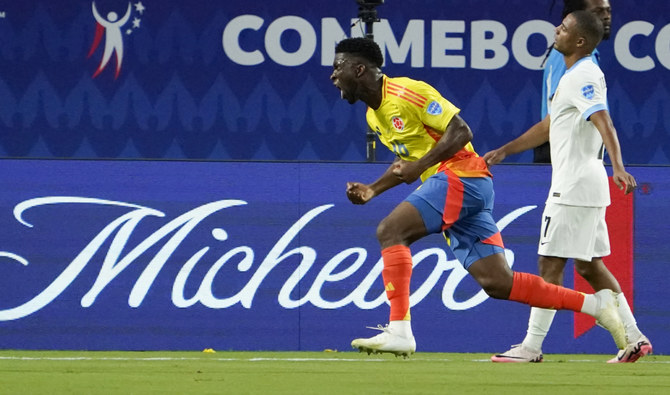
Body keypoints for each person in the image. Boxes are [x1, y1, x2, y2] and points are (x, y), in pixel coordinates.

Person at [330, 37, 626, 358]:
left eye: (337, 67)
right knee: (498, 283)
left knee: (390, 231)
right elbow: (410, 161)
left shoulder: (406, 92)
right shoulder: (375, 116)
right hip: (458, 187)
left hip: (463, 177)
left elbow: (461, 132)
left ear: (359, 69)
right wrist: (373, 189)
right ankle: (596, 305)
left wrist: (421, 166)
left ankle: (400, 330)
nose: (333, 76)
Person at [484, 10, 652, 363]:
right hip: (584, 186)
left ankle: (531, 346)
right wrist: (505, 150)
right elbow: (550, 125)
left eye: (563, 29)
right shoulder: (574, 75)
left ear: (579, 41)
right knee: (590, 266)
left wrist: (618, 166)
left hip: (573, 188)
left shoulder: (584, 75)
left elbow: (603, 119)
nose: (556, 31)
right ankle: (634, 337)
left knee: (549, 264)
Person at [534, 0, 612, 163]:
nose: (605, 17)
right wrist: (506, 151)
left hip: (578, 153)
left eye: (608, 11)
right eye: (598, 11)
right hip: (565, 154)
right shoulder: (566, 57)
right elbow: (554, 117)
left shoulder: (585, 57)